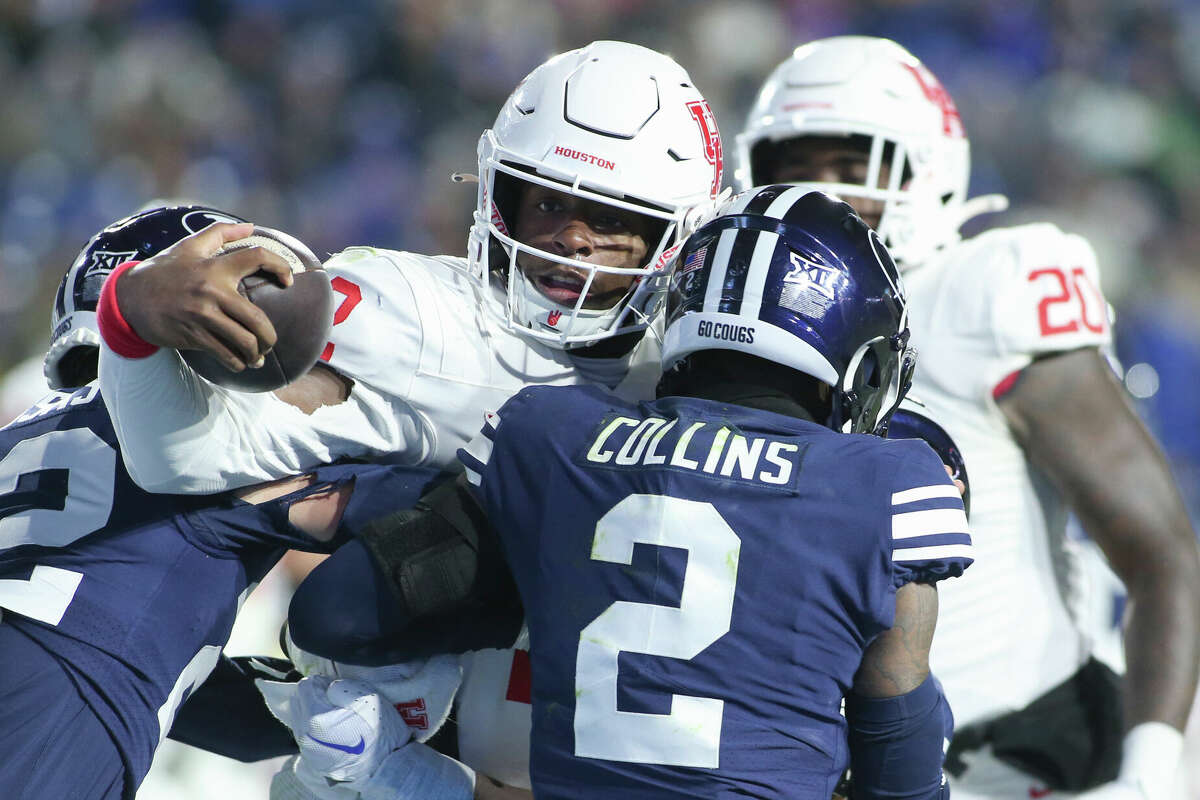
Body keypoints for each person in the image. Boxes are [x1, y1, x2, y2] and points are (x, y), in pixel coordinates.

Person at [92, 41, 725, 793]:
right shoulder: (420, 324)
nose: (575, 238)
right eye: (551, 201)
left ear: (679, 237)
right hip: (404, 749)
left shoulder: (706, 379)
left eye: (613, 216)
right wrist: (129, 322)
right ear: (500, 193)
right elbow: (181, 458)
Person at [261, 188, 972, 799]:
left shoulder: (550, 433)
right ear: (859, 356)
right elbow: (899, 744)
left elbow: (334, 615)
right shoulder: (889, 482)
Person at [734, 35, 1200, 799]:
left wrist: (1146, 779)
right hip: (823, 761)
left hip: (1015, 759)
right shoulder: (732, 320)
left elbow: (1161, 553)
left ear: (930, 173)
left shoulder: (984, 290)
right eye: (795, 168)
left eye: (855, 168)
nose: (823, 194)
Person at [0, 205, 440, 799]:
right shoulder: (215, 441)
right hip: (61, 702)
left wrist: (287, 708)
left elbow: (178, 680)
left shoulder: (22, 432)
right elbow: (406, 511)